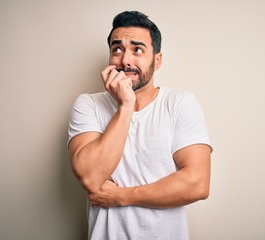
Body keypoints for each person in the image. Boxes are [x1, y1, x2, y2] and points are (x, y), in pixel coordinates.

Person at [68, 11, 212, 240]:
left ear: (157, 60)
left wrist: (121, 196)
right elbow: (90, 177)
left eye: (137, 49)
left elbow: (197, 183)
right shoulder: (88, 105)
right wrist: (126, 105)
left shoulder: (179, 103)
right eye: (117, 49)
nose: (125, 60)